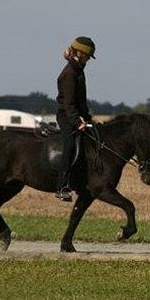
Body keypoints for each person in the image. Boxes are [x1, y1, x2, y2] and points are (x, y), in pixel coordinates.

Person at [55, 36, 95, 201]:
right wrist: (78, 122)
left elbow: (81, 102)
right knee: (70, 144)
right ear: (79, 53)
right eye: (87, 56)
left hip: (77, 115)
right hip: (66, 116)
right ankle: (62, 186)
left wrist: (88, 119)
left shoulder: (78, 70)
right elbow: (69, 104)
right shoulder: (69, 73)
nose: (88, 60)